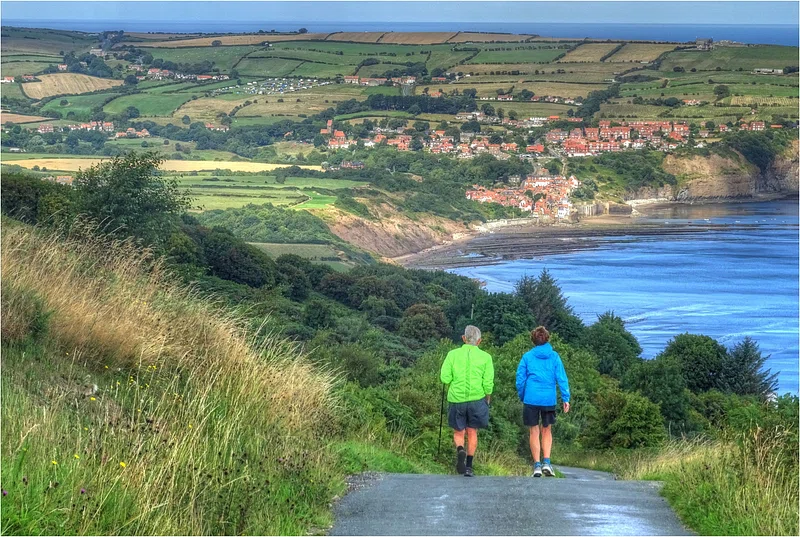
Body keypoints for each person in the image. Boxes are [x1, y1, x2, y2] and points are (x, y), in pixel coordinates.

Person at [440, 325, 494, 477]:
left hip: (456, 399)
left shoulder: (452, 354)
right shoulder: (486, 357)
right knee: (472, 432)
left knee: (458, 431)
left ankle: (460, 450)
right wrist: (487, 396)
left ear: (464, 339)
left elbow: (445, 378)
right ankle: (469, 467)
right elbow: (488, 383)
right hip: (477, 399)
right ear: (479, 341)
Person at [515, 326, 570, 477]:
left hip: (531, 398)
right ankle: (547, 462)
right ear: (547, 338)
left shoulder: (527, 357)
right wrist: (566, 398)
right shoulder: (554, 357)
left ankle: (537, 466)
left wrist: (523, 395)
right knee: (547, 430)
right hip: (548, 399)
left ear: (533, 340)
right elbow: (561, 378)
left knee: (534, 431)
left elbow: (520, 380)